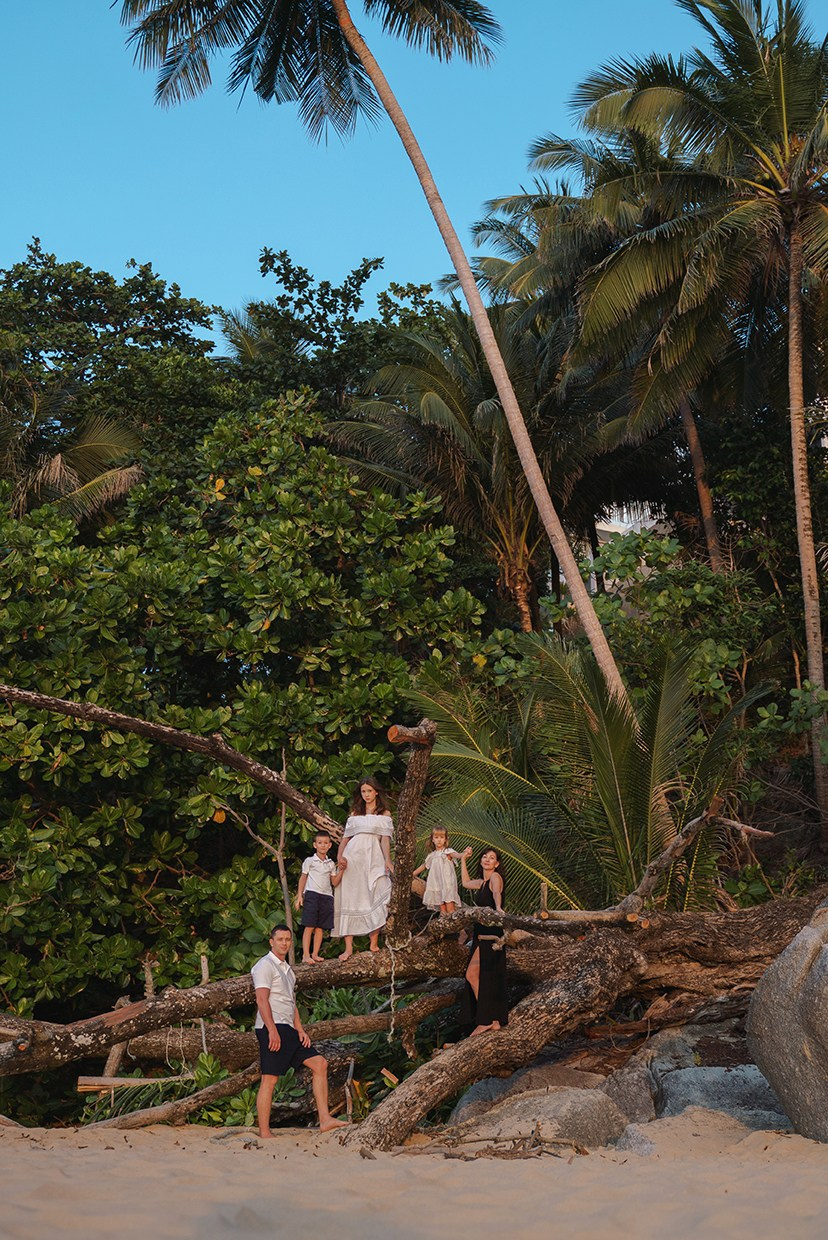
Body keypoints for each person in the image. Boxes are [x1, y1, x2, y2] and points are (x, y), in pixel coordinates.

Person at [251, 924, 347, 1137]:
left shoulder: (288, 971)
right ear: (271, 941)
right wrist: (272, 1030)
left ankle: (324, 1119)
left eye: (287, 939)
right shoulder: (264, 965)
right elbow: (261, 999)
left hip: (289, 1029)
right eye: (280, 939)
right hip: (271, 1027)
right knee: (270, 1079)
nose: (284, 943)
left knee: (320, 1063)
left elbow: (291, 1003)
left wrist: (300, 1030)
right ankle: (264, 1132)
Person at [333, 777, 394, 959]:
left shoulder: (385, 814)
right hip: (353, 858)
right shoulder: (355, 814)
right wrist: (339, 858)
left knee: (378, 890)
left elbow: (385, 839)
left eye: (369, 791)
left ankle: (373, 941)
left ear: (376, 792)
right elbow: (345, 840)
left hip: (373, 857)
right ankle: (348, 948)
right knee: (350, 896)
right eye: (363, 791)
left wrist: (387, 860)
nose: (366, 795)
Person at [459, 846, 509, 1035]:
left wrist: (498, 908)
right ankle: (493, 1020)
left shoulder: (495, 877)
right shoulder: (481, 882)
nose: (487, 860)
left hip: (490, 933)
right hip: (480, 934)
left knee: (473, 975)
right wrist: (463, 859)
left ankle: (486, 1018)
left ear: (496, 864)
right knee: (485, 977)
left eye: (492, 858)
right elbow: (464, 882)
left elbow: (496, 893)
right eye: (484, 857)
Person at [294, 830, 342, 964]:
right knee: (309, 925)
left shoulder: (331, 863)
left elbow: (334, 882)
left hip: (326, 896)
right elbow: (303, 878)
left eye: (325, 843)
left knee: (320, 927)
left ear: (330, 845)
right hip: (312, 894)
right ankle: (305, 955)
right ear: (315, 845)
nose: (323, 845)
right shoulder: (310, 861)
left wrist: (342, 870)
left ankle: (315, 954)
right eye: (320, 843)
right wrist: (300, 896)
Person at [414, 825, 462, 914]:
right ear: (432, 839)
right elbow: (424, 865)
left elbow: (458, 855)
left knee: (450, 909)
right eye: (436, 837)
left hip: (447, 884)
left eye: (442, 837)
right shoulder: (432, 855)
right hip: (436, 884)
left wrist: (464, 854)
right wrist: (413, 873)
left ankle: (456, 926)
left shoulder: (448, 852)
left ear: (446, 839)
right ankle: (444, 922)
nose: (439, 840)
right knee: (443, 911)